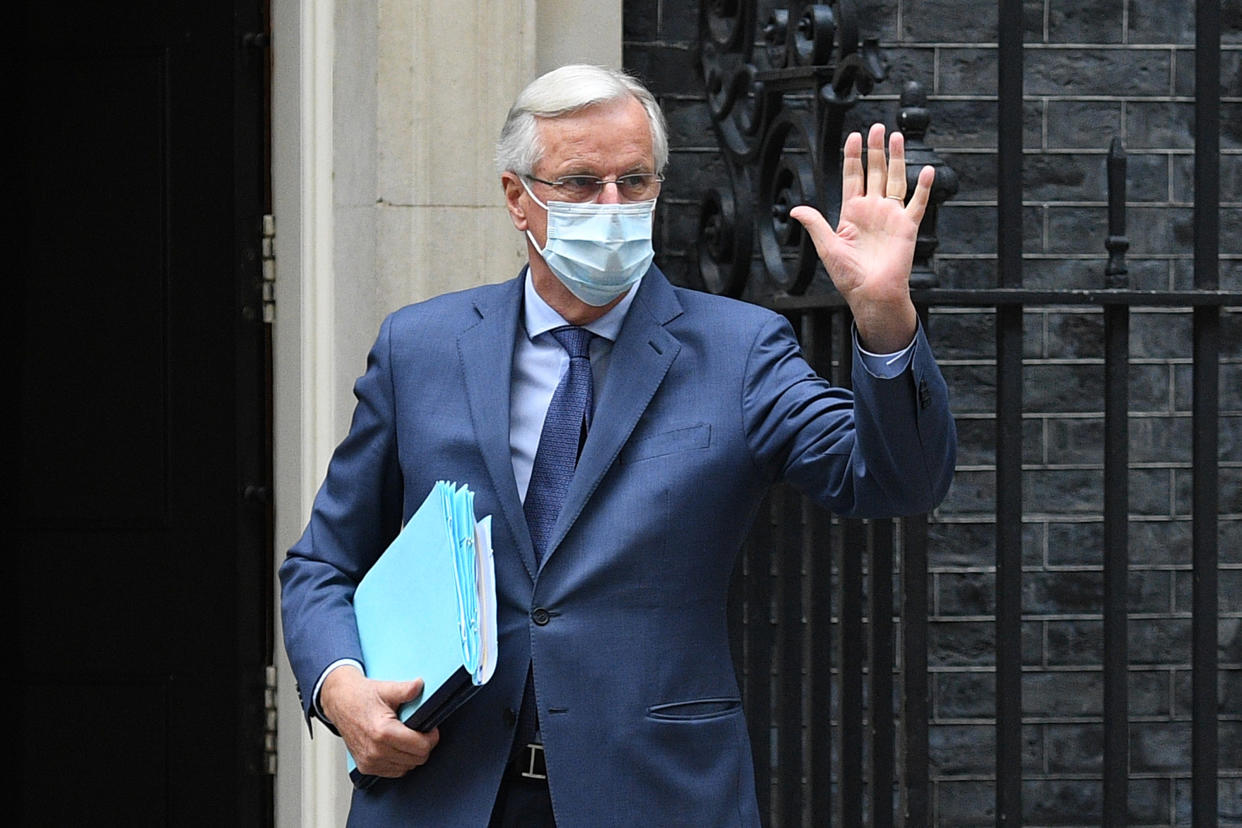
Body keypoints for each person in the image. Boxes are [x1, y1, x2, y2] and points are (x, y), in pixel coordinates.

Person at [280, 64, 956, 827]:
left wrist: (886, 319)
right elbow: (323, 564)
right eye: (580, 183)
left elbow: (897, 482)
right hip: (441, 791)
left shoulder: (740, 352)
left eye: (634, 182)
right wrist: (341, 687)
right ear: (518, 199)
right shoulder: (421, 347)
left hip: (655, 795)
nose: (612, 206)